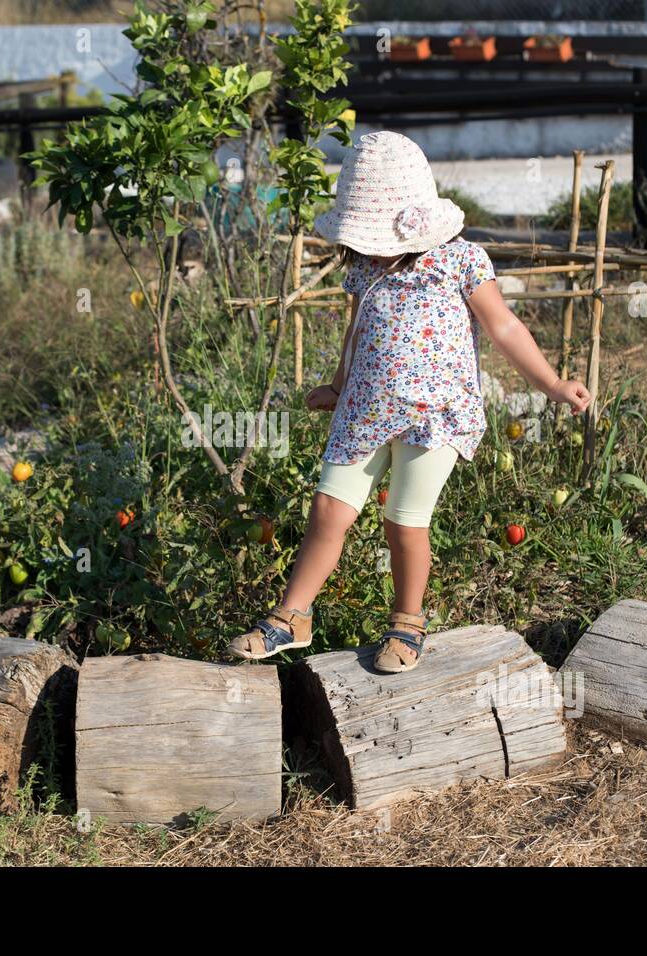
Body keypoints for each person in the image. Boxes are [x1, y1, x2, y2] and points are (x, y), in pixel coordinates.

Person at [227, 131, 590, 673]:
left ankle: (407, 621)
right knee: (328, 508)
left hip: (434, 415)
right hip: (363, 411)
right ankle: (292, 616)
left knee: (404, 518)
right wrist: (336, 384)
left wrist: (553, 384)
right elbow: (355, 336)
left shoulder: (461, 261)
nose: (372, 245)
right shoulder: (366, 270)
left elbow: (505, 328)